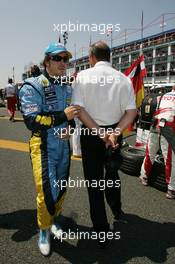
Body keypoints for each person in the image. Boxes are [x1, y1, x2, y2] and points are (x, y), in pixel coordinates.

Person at [72, 41, 137, 247]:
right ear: (109, 57)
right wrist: (114, 133)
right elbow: (131, 112)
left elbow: (78, 110)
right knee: (112, 174)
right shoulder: (124, 78)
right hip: (114, 133)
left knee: (94, 183)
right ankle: (117, 210)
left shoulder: (82, 76)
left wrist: (101, 134)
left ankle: (101, 231)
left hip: (92, 134)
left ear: (92, 57)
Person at [19, 43, 81, 256]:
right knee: (46, 191)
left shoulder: (67, 85)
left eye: (66, 59)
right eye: (59, 59)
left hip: (63, 145)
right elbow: (31, 121)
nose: (64, 63)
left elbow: (71, 116)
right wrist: (64, 117)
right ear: (47, 61)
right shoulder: (32, 86)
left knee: (61, 187)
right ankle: (44, 230)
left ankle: (52, 220)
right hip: (43, 145)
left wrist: (70, 127)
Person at [140, 85, 175, 199]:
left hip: (155, 125)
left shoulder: (162, 96)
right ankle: (171, 188)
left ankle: (143, 176)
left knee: (150, 153)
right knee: (170, 159)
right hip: (169, 128)